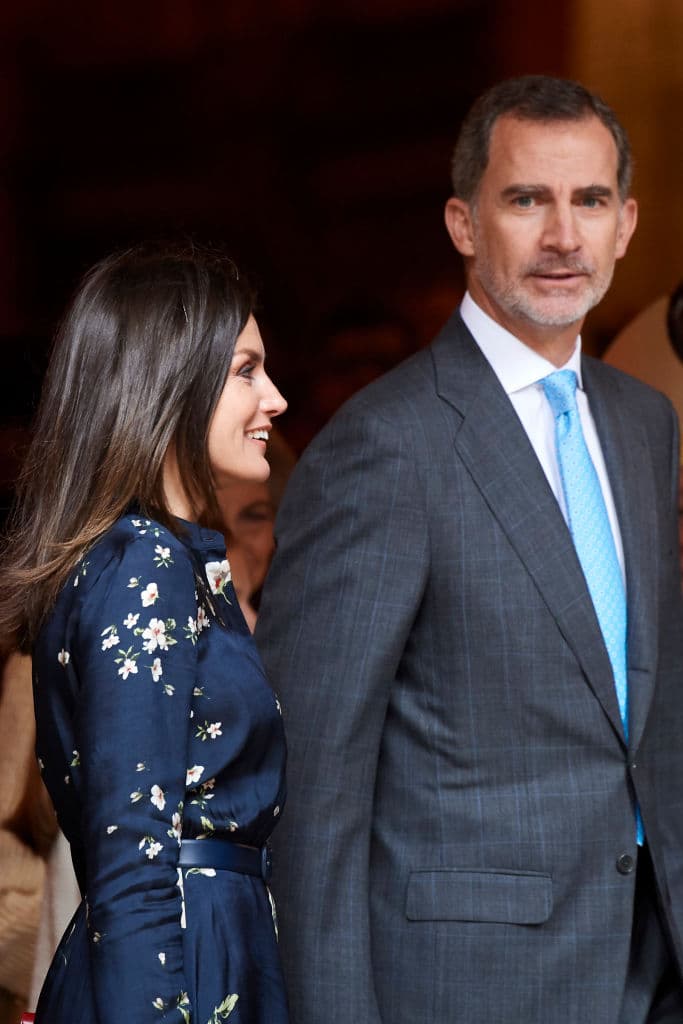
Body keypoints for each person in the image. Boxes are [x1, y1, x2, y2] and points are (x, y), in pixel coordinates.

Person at [255, 75, 683, 1023]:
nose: (563, 236)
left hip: (650, 964)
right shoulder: (382, 446)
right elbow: (313, 792)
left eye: (591, 201)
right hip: (470, 985)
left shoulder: (645, 422)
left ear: (626, 225)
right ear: (461, 223)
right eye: (526, 199)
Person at [0, 241, 289, 1024]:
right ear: (171, 381)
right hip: (175, 967)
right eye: (245, 371)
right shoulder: (142, 564)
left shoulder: (168, 559)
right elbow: (134, 852)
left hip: (205, 950)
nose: (276, 400)